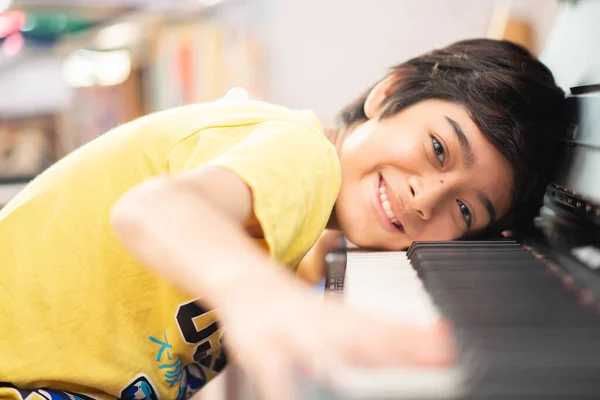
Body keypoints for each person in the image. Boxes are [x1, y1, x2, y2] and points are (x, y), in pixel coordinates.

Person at [0, 39, 567, 400]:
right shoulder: (301, 153)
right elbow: (153, 208)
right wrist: (261, 294)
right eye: (440, 149)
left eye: (465, 210)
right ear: (388, 94)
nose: (428, 198)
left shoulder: (305, 194)